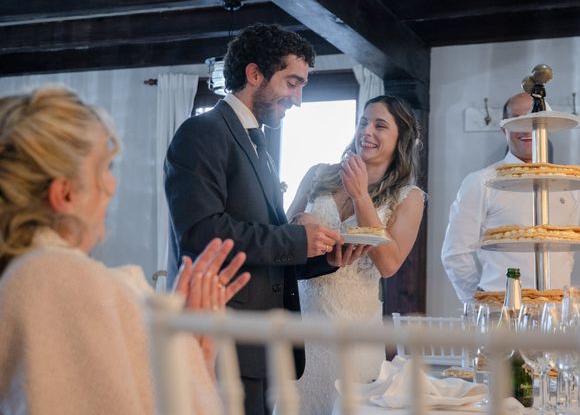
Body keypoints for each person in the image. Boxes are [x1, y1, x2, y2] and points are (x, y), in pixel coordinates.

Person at [0, 86, 251, 414]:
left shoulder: (33, 274)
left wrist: (192, 349)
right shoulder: (55, 277)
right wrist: (188, 351)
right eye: (104, 169)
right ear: (65, 195)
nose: (113, 185)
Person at [164, 24, 356, 415]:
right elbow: (203, 235)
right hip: (223, 337)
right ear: (254, 75)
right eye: (292, 82)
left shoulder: (258, 143)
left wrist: (321, 256)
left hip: (263, 342)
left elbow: (263, 243)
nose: (299, 99)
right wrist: (297, 240)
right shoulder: (201, 133)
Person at [285, 95, 425, 414]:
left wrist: (361, 196)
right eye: (364, 122)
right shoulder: (318, 175)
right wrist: (297, 222)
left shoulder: (410, 197)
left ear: (400, 138)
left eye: (380, 125)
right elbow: (282, 235)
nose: (367, 131)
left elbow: (389, 264)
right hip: (303, 326)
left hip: (355, 335)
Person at [441, 92, 580, 303]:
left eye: (535, 119)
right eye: (518, 119)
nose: (527, 127)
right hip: (502, 313)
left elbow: (568, 252)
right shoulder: (481, 181)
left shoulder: (569, 184)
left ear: (547, 126)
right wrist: (479, 303)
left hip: (557, 309)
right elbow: (455, 253)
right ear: (504, 127)